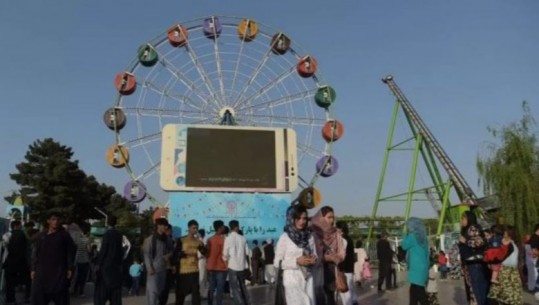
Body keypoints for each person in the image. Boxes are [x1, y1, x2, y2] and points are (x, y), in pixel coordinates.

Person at [274, 204, 317, 305]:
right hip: (291, 279)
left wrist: (314, 259)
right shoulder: (284, 238)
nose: (302, 221)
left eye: (304, 218)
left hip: (308, 277)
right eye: (298, 218)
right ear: (291, 218)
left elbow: (314, 254)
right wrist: (296, 261)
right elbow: (277, 263)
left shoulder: (309, 237)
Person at [31, 212, 76, 305]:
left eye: (57, 220)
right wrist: (33, 269)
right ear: (48, 221)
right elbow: (36, 253)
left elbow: (70, 252)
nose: (55, 222)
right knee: (39, 298)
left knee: (61, 297)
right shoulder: (41, 236)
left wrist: (70, 268)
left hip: (59, 273)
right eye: (53, 219)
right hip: (42, 273)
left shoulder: (64, 236)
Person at [311, 206, 345, 305]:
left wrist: (336, 257)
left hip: (330, 271)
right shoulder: (312, 233)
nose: (332, 220)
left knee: (330, 297)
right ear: (321, 218)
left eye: (333, 217)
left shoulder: (336, 234)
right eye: (329, 217)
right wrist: (327, 257)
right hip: (315, 270)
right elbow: (311, 253)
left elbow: (341, 254)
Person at [458, 210, 489, 305]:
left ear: (469, 219)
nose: (461, 220)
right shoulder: (466, 230)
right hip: (471, 263)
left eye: (463, 218)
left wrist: (465, 241)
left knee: (478, 287)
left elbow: (479, 242)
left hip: (475, 262)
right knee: (476, 287)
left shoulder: (473, 228)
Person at [487, 225, 523, 305]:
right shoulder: (512, 243)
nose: (503, 233)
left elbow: (500, 256)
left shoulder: (509, 244)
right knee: (507, 294)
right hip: (509, 271)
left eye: (505, 231)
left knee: (505, 294)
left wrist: (492, 261)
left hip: (506, 271)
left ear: (509, 233)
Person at [94, 215, 124, 305]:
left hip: (106, 267)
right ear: (116, 223)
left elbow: (104, 250)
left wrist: (98, 264)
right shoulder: (119, 235)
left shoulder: (107, 234)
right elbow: (121, 250)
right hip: (116, 268)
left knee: (101, 295)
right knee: (115, 296)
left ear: (107, 223)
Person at [176, 219, 205, 305]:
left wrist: (203, 246)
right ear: (189, 228)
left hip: (195, 270)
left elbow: (205, 252)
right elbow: (176, 253)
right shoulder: (181, 240)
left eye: (196, 228)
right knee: (181, 294)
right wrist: (184, 253)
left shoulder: (198, 241)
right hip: (183, 270)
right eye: (193, 228)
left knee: (196, 292)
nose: (195, 230)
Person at [401, 217, 429, 305]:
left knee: (419, 292)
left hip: (416, 268)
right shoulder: (424, 238)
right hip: (423, 267)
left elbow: (404, 245)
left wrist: (404, 234)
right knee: (414, 290)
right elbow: (427, 254)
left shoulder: (412, 237)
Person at [143, 218, 172, 305]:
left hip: (163, 270)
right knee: (152, 293)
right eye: (164, 225)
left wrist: (169, 255)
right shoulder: (149, 240)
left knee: (160, 292)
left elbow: (172, 250)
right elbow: (146, 255)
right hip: (153, 270)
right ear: (158, 226)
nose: (166, 227)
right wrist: (149, 268)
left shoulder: (168, 239)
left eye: (166, 225)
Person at [223, 219, 251, 305]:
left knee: (234, 287)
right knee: (243, 286)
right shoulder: (242, 238)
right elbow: (247, 252)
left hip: (232, 266)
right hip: (241, 266)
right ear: (236, 227)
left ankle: (239, 303)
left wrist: (225, 262)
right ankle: (247, 302)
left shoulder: (227, 239)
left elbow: (225, 253)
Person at [4, 220, 28, 305]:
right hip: (21, 263)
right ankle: (21, 300)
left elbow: (4, 247)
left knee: (9, 284)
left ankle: (10, 300)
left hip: (9, 262)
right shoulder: (23, 235)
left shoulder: (7, 235)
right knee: (20, 283)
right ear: (17, 226)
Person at [336, 221, 359, 305]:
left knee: (345, 292)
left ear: (340, 229)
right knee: (350, 289)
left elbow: (341, 255)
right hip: (349, 268)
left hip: (344, 269)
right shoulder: (349, 238)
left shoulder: (342, 240)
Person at [206, 220, 227, 305]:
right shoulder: (224, 240)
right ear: (220, 228)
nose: (224, 228)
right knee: (220, 289)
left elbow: (207, 254)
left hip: (211, 267)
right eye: (223, 226)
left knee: (211, 288)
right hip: (221, 267)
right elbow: (225, 254)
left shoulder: (209, 239)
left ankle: (210, 303)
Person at [73, 223, 91, 297]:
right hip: (85, 260)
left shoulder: (77, 239)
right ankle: (81, 292)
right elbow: (89, 250)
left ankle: (75, 291)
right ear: (87, 231)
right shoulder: (87, 239)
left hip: (77, 260)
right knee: (83, 277)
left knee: (77, 276)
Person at [159, 223, 176, 305]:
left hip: (161, 268)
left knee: (162, 289)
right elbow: (171, 254)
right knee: (164, 289)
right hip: (166, 268)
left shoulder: (162, 239)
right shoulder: (169, 240)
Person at [198, 229, 208, 299]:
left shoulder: (201, 241)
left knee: (202, 276)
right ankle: (203, 293)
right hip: (203, 260)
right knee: (203, 277)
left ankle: (203, 293)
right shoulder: (204, 241)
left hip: (202, 260)